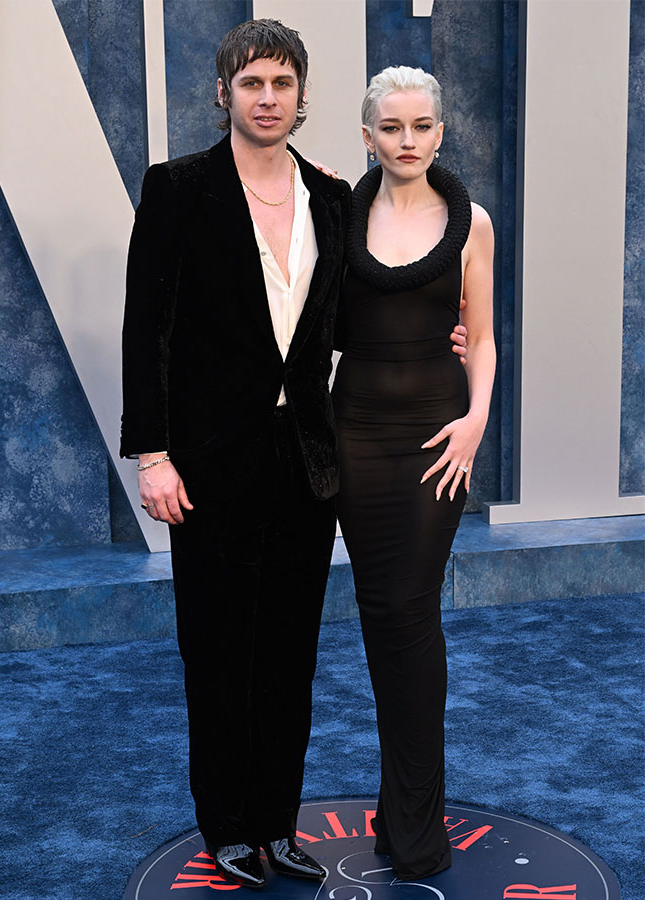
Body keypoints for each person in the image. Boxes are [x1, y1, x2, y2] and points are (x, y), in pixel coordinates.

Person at [121, 19, 467, 889]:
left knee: (288, 650)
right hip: (207, 463)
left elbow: (349, 320)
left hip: (309, 461)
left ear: (302, 97)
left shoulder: (329, 195)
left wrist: (439, 335)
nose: (267, 98)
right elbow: (145, 331)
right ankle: (228, 828)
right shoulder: (178, 189)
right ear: (224, 94)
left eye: (282, 83)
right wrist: (153, 454)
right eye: (251, 83)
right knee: (217, 646)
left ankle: (276, 823)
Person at [333, 66, 496, 881]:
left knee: (409, 610)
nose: (407, 141)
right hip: (353, 433)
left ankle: (416, 823)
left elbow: (485, 336)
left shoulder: (474, 224)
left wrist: (475, 419)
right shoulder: (338, 216)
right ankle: (398, 815)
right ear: (368, 136)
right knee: (379, 615)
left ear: (440, 132)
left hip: (439, 438)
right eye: (391, 127)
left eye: (421, 126)